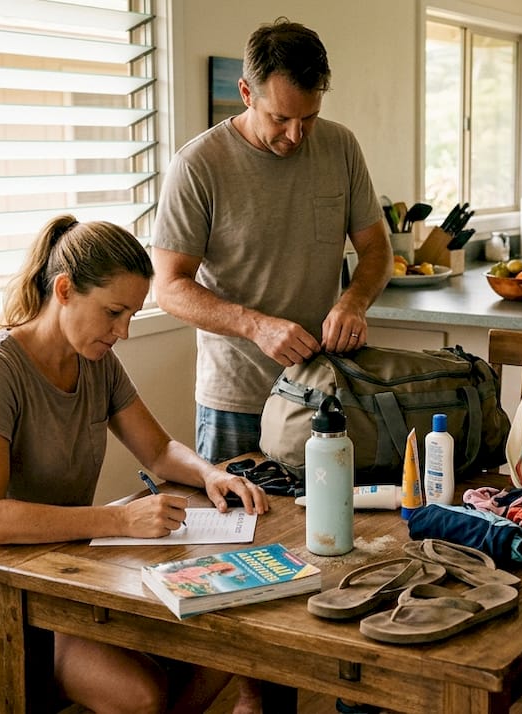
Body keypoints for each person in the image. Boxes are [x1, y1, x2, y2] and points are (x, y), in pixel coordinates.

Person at [0, 215, 269, 714]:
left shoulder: (96, 361)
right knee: (141, 693)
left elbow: (159, 451)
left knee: (226, 641)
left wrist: (212, 474)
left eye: (130, 315)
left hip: (55, 578)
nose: (122, 331)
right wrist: (121, 519)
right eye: (114, 312)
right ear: (63, 290)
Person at [150, 17, 392, 465]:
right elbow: (168, 286)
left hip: (322, 389)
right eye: (280, 118)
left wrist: (354, 301)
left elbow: (377, 250)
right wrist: (255, 325)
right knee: (234, 535)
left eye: (310, 117)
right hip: (235, 402)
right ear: (246, 93)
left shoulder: (341, 147)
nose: (296, 136)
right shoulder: (198, 165)